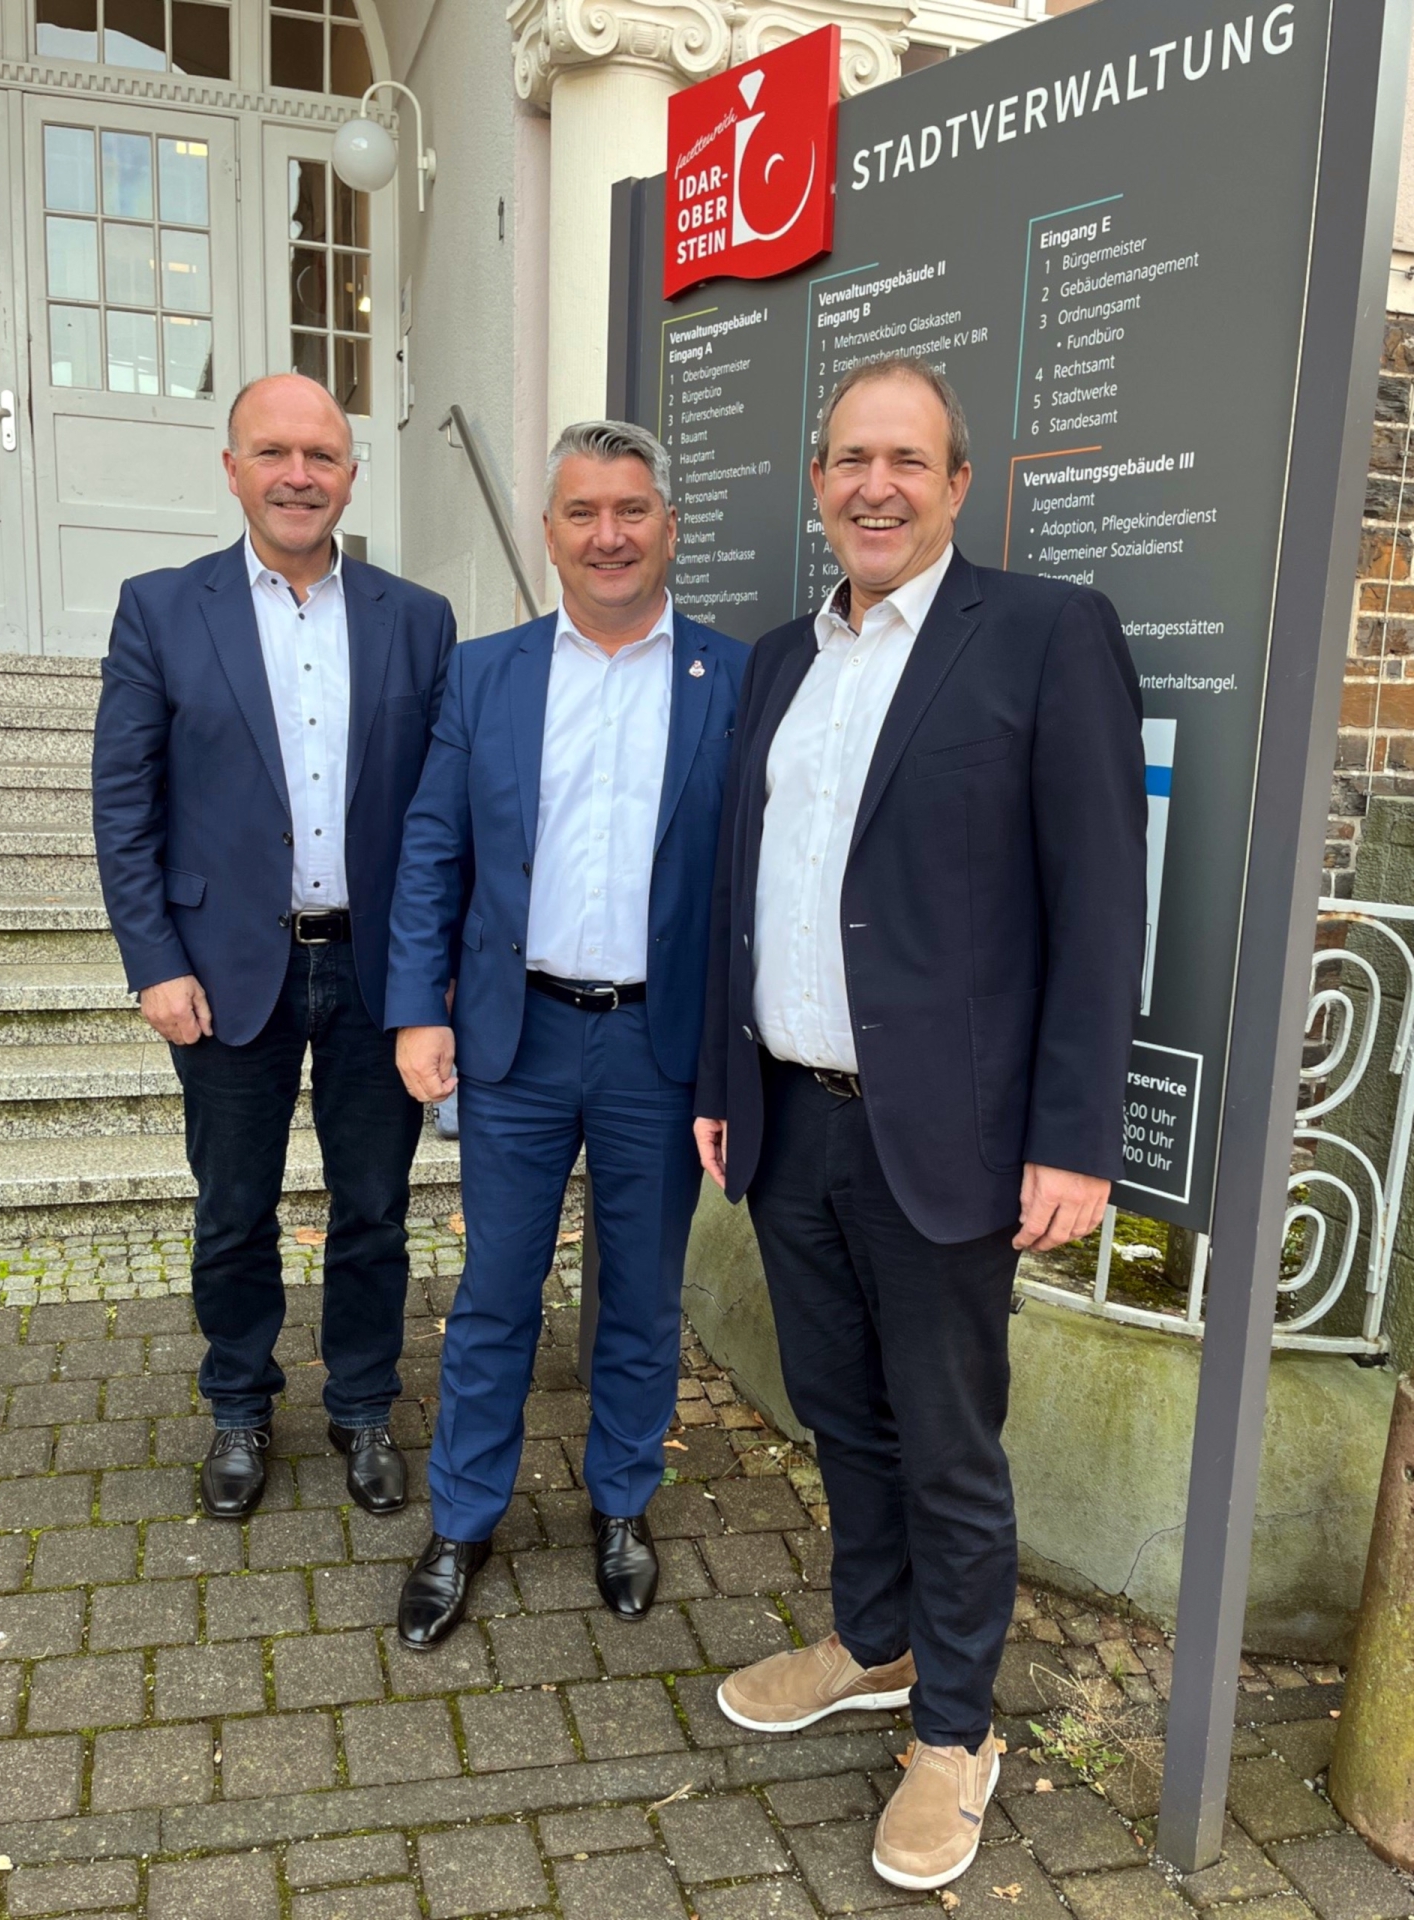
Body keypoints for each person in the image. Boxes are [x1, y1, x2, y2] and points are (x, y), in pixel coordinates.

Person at [695, 358, 1145, 1893]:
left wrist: (1078, 1139)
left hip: (946, 1139)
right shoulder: (778, 662)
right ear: (817, 484)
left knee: (950, 1445)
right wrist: (717, 1080)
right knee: (841, 1413)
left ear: (961, 485)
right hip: (789, 1122)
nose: (874, 484)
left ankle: (955, 1731)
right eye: (848, 459)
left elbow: (1099, 910)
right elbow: (734, 896)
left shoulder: (1043, 637)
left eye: (906, 459)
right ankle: (873, 1640)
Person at [386, 420, 749, 1648]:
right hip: (519, 1038)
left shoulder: (734, 679)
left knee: (640, 1298)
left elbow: (750, 889)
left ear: (668, 528)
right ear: (549, 534)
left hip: (660, 1047)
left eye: (632, 510)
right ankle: (463, 1516)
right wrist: (415, 1007)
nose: (609, 535)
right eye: (584, 512)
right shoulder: (485, 674)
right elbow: (434, 849)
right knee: (494, 1291)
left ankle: (622, 1504)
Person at [92, 373, 455, 1522]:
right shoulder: (160, 607)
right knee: (233, 1207)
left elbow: (447, 815)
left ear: (352, 473)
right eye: (275, 453)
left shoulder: (418, 618)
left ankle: (361, 1407)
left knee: (374, 1210)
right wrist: (154, 959)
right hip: (222, 966)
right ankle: (239, 1405)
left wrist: (436, 971)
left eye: (322, 454)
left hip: (376, 970)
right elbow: (124, 800)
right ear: (235, 468)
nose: (299, 474)